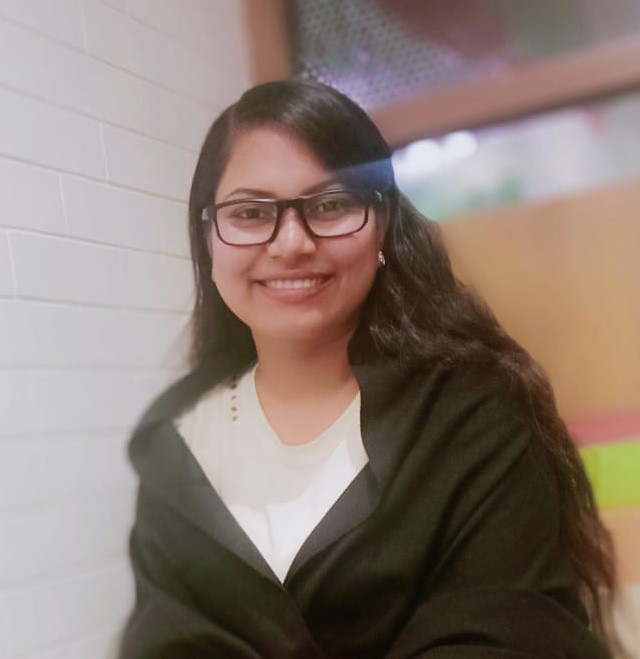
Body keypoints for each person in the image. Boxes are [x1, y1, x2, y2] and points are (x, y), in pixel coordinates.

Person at [118, 80, 617, 658]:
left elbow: (509, 635)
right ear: (208, 238)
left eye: (330, 205)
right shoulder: (175, 444)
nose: (291, 243)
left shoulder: (474, 417)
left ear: (382, 223)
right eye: (250, 213)